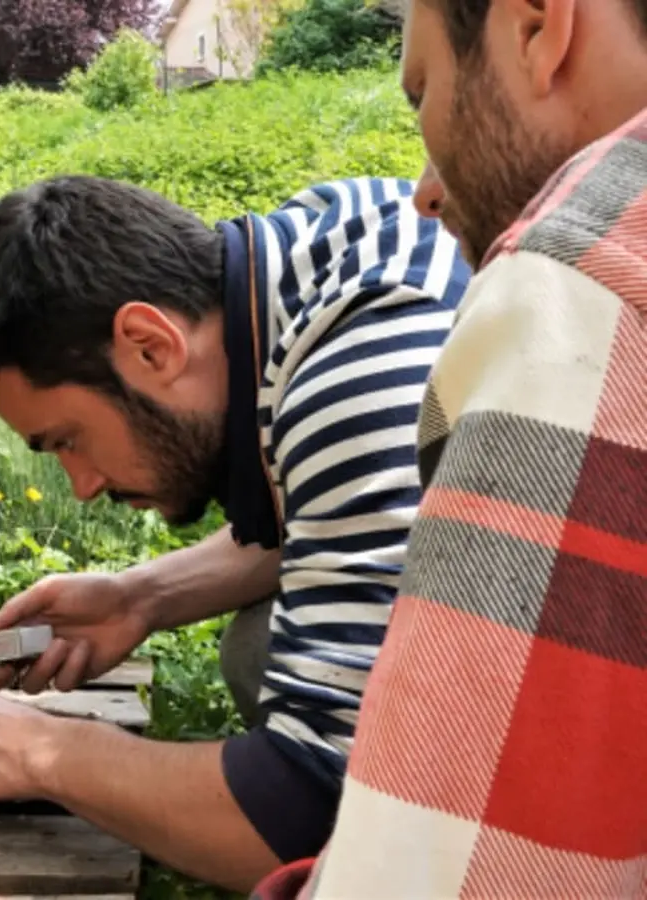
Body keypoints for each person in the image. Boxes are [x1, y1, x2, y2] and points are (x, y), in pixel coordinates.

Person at [0, 171, 472, 895]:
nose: (83, 485)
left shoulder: (357, 380)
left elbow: (323, 815)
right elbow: (346, 516)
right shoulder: (321, 243)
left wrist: (40, 751)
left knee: (263, 650)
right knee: (259, 643)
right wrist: (141, 598)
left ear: (150, 346)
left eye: (67, 440)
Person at [244, 0, 647, 897]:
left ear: (540, 26)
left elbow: (440, 877)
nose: (421, 190)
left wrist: (39, 749)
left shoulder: (579, 293)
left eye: (424, 87)